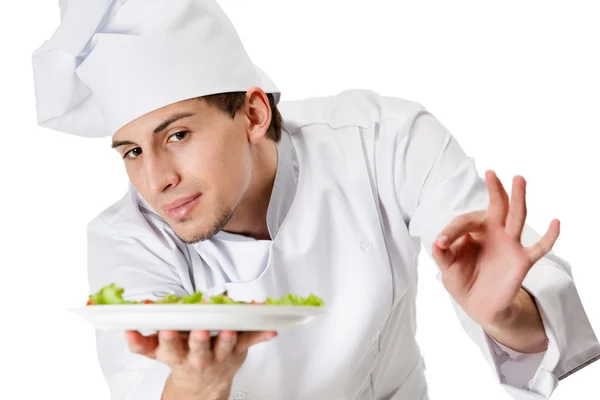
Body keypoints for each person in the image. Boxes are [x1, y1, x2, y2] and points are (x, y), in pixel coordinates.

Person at [32, 1, 599, 399]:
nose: (156, 181)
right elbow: (145, 388)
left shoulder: (385, 141)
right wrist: (199, 384)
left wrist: (506, 312)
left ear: (253, 113)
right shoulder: (124, 240)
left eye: (177, 135)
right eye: (131, 151)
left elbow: (537, 333)